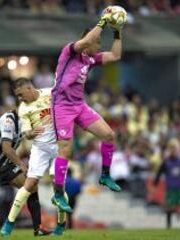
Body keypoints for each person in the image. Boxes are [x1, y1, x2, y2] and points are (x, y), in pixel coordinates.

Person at [50, 7, 124, 213]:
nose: (99, 46)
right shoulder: (70, 51)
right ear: (87, 41)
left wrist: (117, 31)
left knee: (109, 135)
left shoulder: (91, 59)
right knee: (65, 148)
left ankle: (105, 175)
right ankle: (58, 193)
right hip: (61, 106)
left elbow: (115, 55)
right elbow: (86, 41)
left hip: (79, 105)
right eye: (97, 42)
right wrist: (102, 22)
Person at [1, 78, 67, 236]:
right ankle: (9, 222)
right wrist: (32, 132)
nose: (20, 98)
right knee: (29, 184)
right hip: (40, 149)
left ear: (30, 88)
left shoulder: (50, 93)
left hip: (58, 148)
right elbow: (26, 134)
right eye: (17, 96)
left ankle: (61, 225)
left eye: (21, 94)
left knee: (59, 187)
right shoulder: (23, 108)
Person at [154, 141, 180, 229]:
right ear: (169, 150)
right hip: (171, 188)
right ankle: (169, 226)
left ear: (177, 150)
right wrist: (156, 182)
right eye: (172, 149)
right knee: (169, 208)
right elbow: (159, 172)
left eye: (175, 149)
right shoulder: (166, 162)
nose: (173, 151)